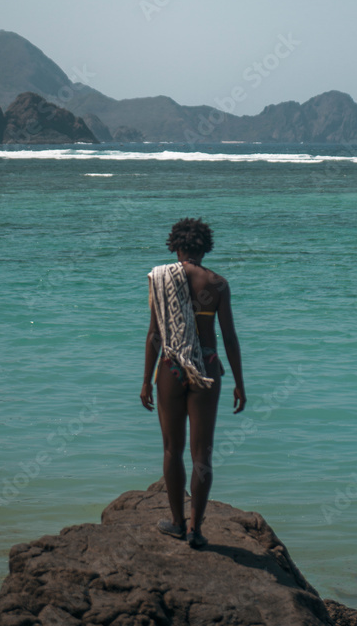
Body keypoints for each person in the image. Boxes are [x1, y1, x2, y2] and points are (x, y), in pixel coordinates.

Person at [140, 217, 246, 549]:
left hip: (171, 367)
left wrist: (145, 381)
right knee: (203, 453)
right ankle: (196, 531)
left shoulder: (160, 278)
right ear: (205, 247)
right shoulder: (217, 283)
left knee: (172, 449)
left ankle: (176, 521)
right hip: (208, 368)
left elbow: (155, 335)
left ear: (176, 245)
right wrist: (239, 383)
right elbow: (229, 337)